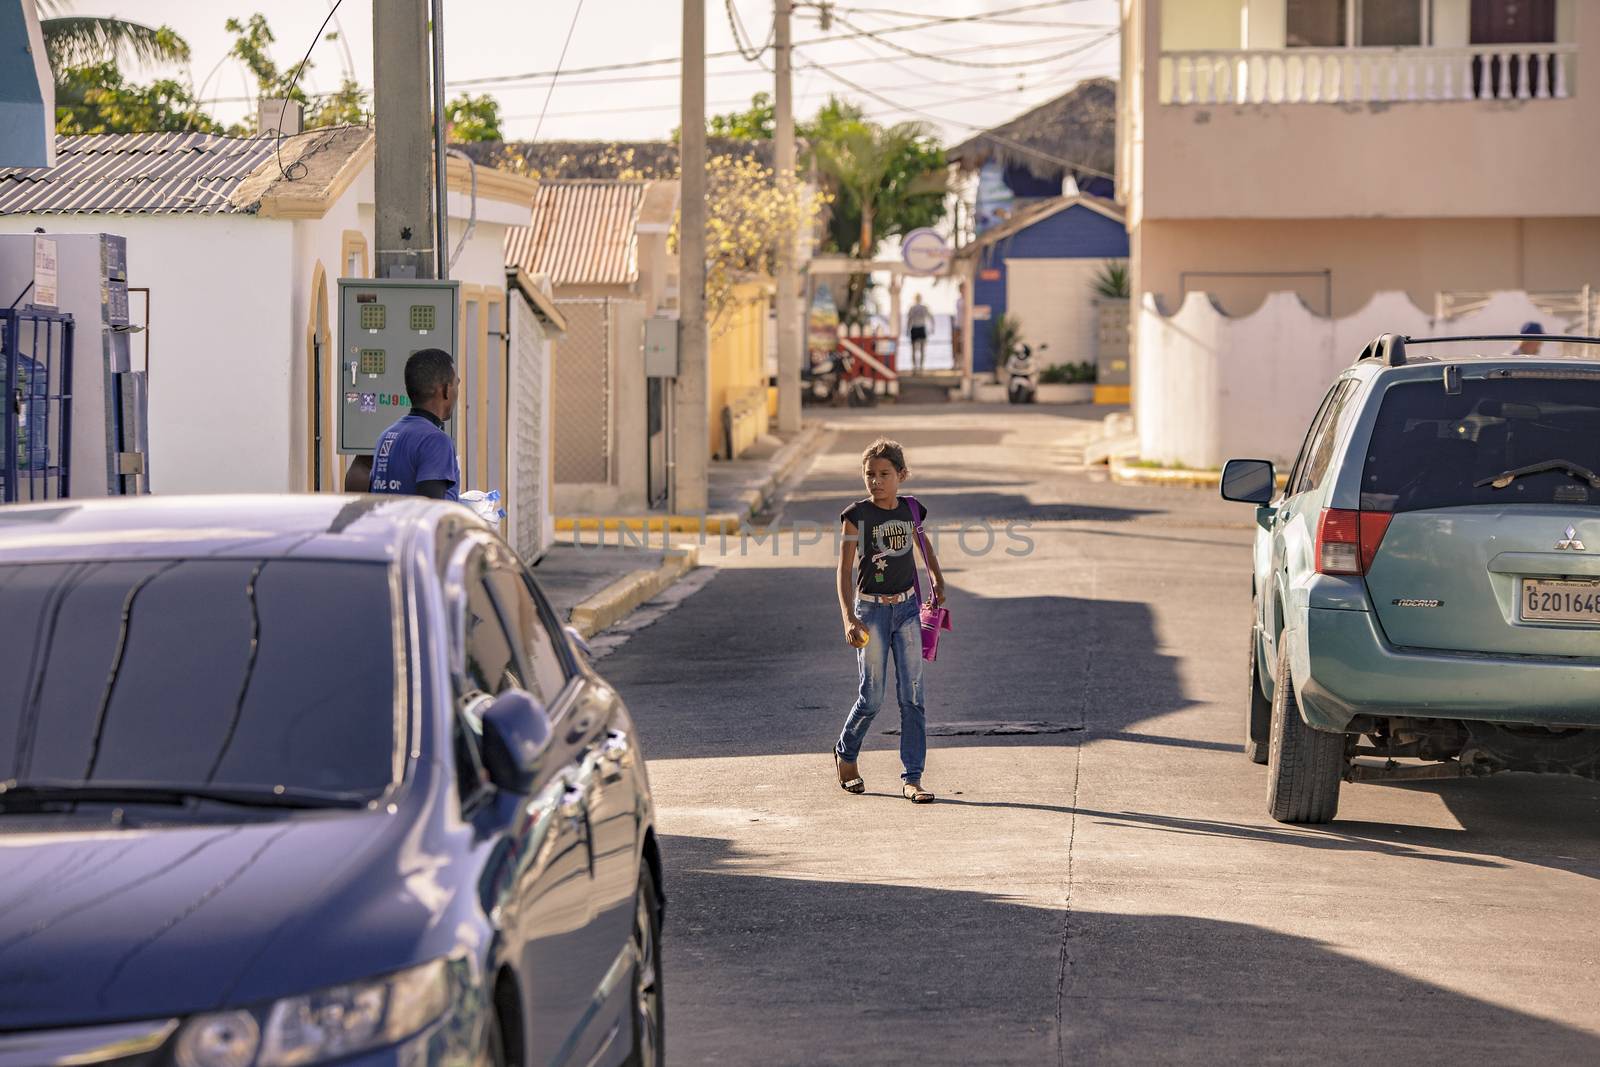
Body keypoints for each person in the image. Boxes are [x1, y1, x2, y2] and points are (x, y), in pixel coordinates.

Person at [834, 437, 947, 804]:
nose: (876, 481)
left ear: (902, 475)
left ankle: (912, 778)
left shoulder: (912, 509)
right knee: (872, 697)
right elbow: (844, 569)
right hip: (871, 612)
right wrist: (849, 617)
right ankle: (846, 753)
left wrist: (938, 579)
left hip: (908, 610)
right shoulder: (856, 515)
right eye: (870, 474)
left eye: (884, 474)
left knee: (913, 697)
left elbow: (923, 546)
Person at [369, 348, 461, 500]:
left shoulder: (387, 436)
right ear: (445, 389)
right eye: (456, 384)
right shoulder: (435, 441)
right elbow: (431, 511)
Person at [906, 294, 933, 373]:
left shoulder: (913, 308)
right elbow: (931, 317)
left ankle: (916, 367)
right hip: (920, 328)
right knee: (920, 349)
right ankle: (919, 366)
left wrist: (907, 330)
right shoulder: (923, 307)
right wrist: (932, 328)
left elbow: (909, 319)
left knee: (915, 349)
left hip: (916, 328)